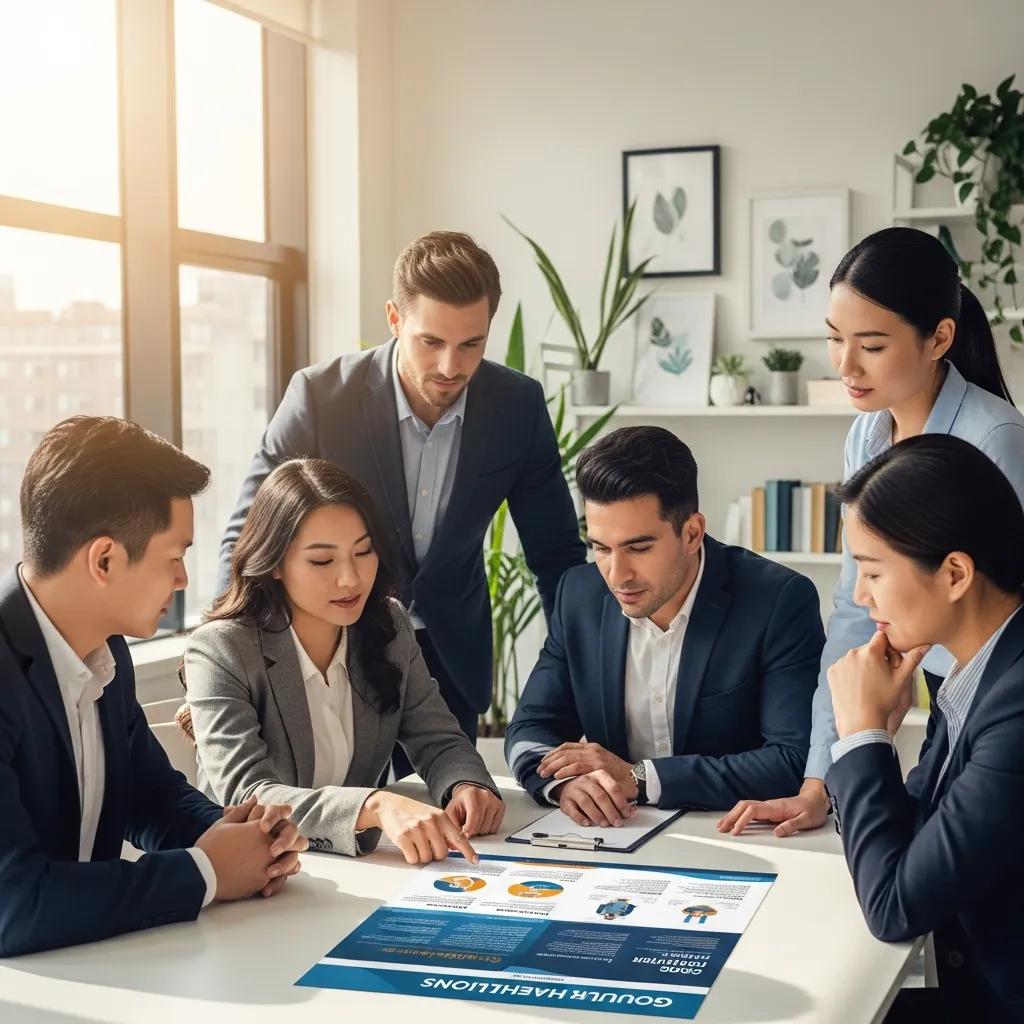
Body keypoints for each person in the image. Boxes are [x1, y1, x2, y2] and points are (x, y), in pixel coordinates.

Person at [219, 232, 585, 771]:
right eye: (430, 341)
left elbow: (556, 557)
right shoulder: (321, 397)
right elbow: (248, 534)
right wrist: (221, 659)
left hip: (448, 660)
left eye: (471, 345)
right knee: (340, 825)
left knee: (450, 828)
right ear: (394, 319)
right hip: (329, 649)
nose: (449, 367)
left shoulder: (517, 406)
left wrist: (582, 674)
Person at [719, 226, 1024, 838]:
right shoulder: (865, 435)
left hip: (999, 704)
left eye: (873, 345)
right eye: (835, 339)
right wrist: (819, 783)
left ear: (940, 337)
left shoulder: (996, 441)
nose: (846, 365)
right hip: (945, 692)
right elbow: (857, 613)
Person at [0, 417, 306, 957]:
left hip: (91, 963)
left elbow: (150, 797)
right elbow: (13, 904)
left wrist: (247, 838)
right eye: (175, 557)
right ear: (105, 560)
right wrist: (206, 872)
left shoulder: (105, 647)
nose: (184, 579)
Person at [186, 458, 505, 864]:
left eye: (363, 551)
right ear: (276, 564)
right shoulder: (222, 648)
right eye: (323, 561)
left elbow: (436, 737)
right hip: (254, 873)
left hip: (360, 869)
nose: (351, 579)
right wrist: (374, 806)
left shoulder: (388, 625)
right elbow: (250, 795)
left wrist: (464, 783)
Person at [504, 427, 824, 826]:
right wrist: (565, 786)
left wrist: (639, 778)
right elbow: (531, 727)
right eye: (601, 548)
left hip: (737, 831)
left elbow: (793, 759)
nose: (617, 575)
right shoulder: (578, 595)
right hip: (619, 833)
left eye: (638, 548)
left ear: (691, 533)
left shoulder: (778, 600)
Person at [821, 434, 1024, 1022]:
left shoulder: (1013, 705)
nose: (860, 597)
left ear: (955, 572)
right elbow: (914, 841)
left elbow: (895, 905)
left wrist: (860, 734)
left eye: (874, 572)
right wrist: (874, 733)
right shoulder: (973, 670)